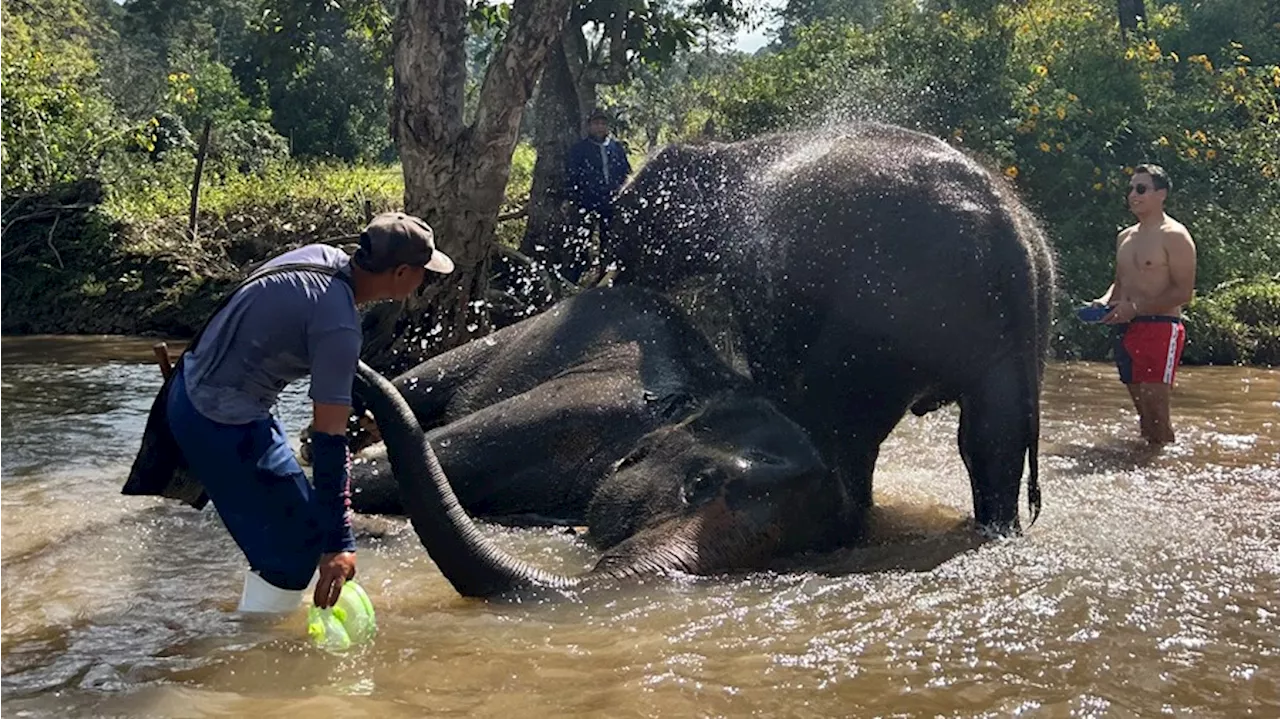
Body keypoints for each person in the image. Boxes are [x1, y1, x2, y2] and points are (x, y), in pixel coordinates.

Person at [147, 212, 453, 613]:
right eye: (421, 273)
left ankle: (257, 618)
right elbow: (329, 440)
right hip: (217, 419)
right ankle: (258, 648)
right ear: (399, 274)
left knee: (300, 527)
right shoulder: (339, 326)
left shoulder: (318, 256)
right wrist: (340, 543)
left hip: (190, 389)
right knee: (292, 555)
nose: (423, 282)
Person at [1091, 164, 1197, 445]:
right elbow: (1120, 282)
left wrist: (1136, 308)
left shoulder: (1175, 235)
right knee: (1143, 415)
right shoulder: (1124, 237)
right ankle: (1146, 468)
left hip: (1162, 327)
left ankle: (1167, 473)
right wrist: (1103, 303)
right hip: (1126, 328)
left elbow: (1184, 292)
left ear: (1161, 194)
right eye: (1130, 189)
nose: (1133, 195)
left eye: (1141, 189)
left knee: (1157, 413)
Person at [562, 109, 632, 280]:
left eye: (602, 123)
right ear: (589, 126)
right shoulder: (579, 149)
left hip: (611, 201)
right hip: (586, 201)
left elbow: (626, 172)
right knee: (581, 239)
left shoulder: (616, 148)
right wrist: (569, 198)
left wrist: (626, 193)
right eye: (596, 123)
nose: (599, 127)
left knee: (608, 239)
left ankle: (604, 275)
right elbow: (572, 174)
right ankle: (575, 276)